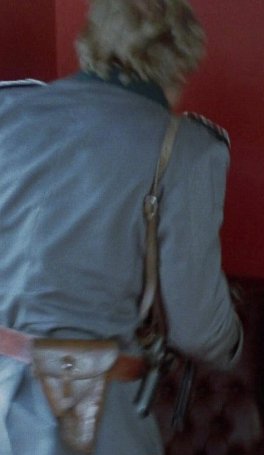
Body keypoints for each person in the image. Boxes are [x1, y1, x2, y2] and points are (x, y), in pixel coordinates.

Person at [0, 1, 242, 454]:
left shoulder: (8, 110)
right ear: (181, 61)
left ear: (92, 41)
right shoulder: (186, 149)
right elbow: (199, 329)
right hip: (95, 423)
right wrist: (234, 343)